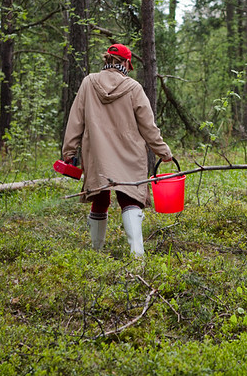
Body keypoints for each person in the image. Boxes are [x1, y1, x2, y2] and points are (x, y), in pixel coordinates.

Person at [62, 44, 173, 258]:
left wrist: (69, 150)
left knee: (100, 196)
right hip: (129, 152)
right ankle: (137, 254)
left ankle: (96, 252)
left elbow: (75, 120)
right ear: (125, 63)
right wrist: (163, 151)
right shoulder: (133, 88)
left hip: (97, 152)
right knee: (130, 197)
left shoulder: (88, 83)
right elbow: (148, 126)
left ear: (107, 60)